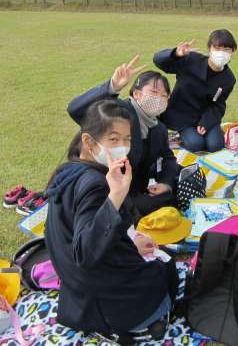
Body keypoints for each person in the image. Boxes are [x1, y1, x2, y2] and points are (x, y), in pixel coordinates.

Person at [45, 100, 178, 339]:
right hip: (106, 300)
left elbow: (85, 234)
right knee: (165, 267)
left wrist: (130, 244)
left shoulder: (67, 171)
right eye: (114, 139)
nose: (122, 147)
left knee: (156, 257)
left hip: (76, 293)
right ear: (88, 141)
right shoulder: (97, 185)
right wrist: (116, 196)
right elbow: (86, 253)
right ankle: (147, 321)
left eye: (127, 139)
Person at [67, 55, 179, 222]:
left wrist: (166, 183)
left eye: (164, 95)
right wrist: (112, 86)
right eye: (154, 92)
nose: (159, 99)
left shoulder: (159, 128)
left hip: (134, 187)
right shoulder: (118, 111)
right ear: (137, 93)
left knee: (170, 193)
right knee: (161, 204)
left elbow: (168, 157)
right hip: (101, 186)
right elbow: (75, 110)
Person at [153, 29, 237, 152]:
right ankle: (180, 135)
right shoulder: (191, 60)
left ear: (232, 51)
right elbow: (158, 61)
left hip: (204, 115)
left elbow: (218, 105)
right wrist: (175, 54)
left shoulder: (229, 79)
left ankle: (207, 132)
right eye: (217, 48)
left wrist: (206, 122)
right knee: (196, 144)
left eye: (226, 49)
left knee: (216, 145)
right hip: (180, 113)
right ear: (209, 48)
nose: (221, 53)